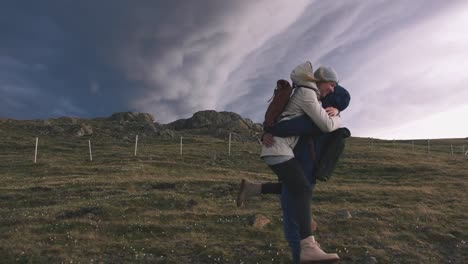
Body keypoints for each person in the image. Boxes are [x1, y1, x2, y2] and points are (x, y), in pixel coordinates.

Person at [239, 61, 344, 263]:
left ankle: (252, 189)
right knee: (303, 189)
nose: (332, 89)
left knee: (296, 187)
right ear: (321, 81)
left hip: (279, 149)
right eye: (331, 84)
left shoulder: (307, 93)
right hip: (277, 150)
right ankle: (308, 247)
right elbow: (327, 125)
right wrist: (338, 116)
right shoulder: (307, 93)